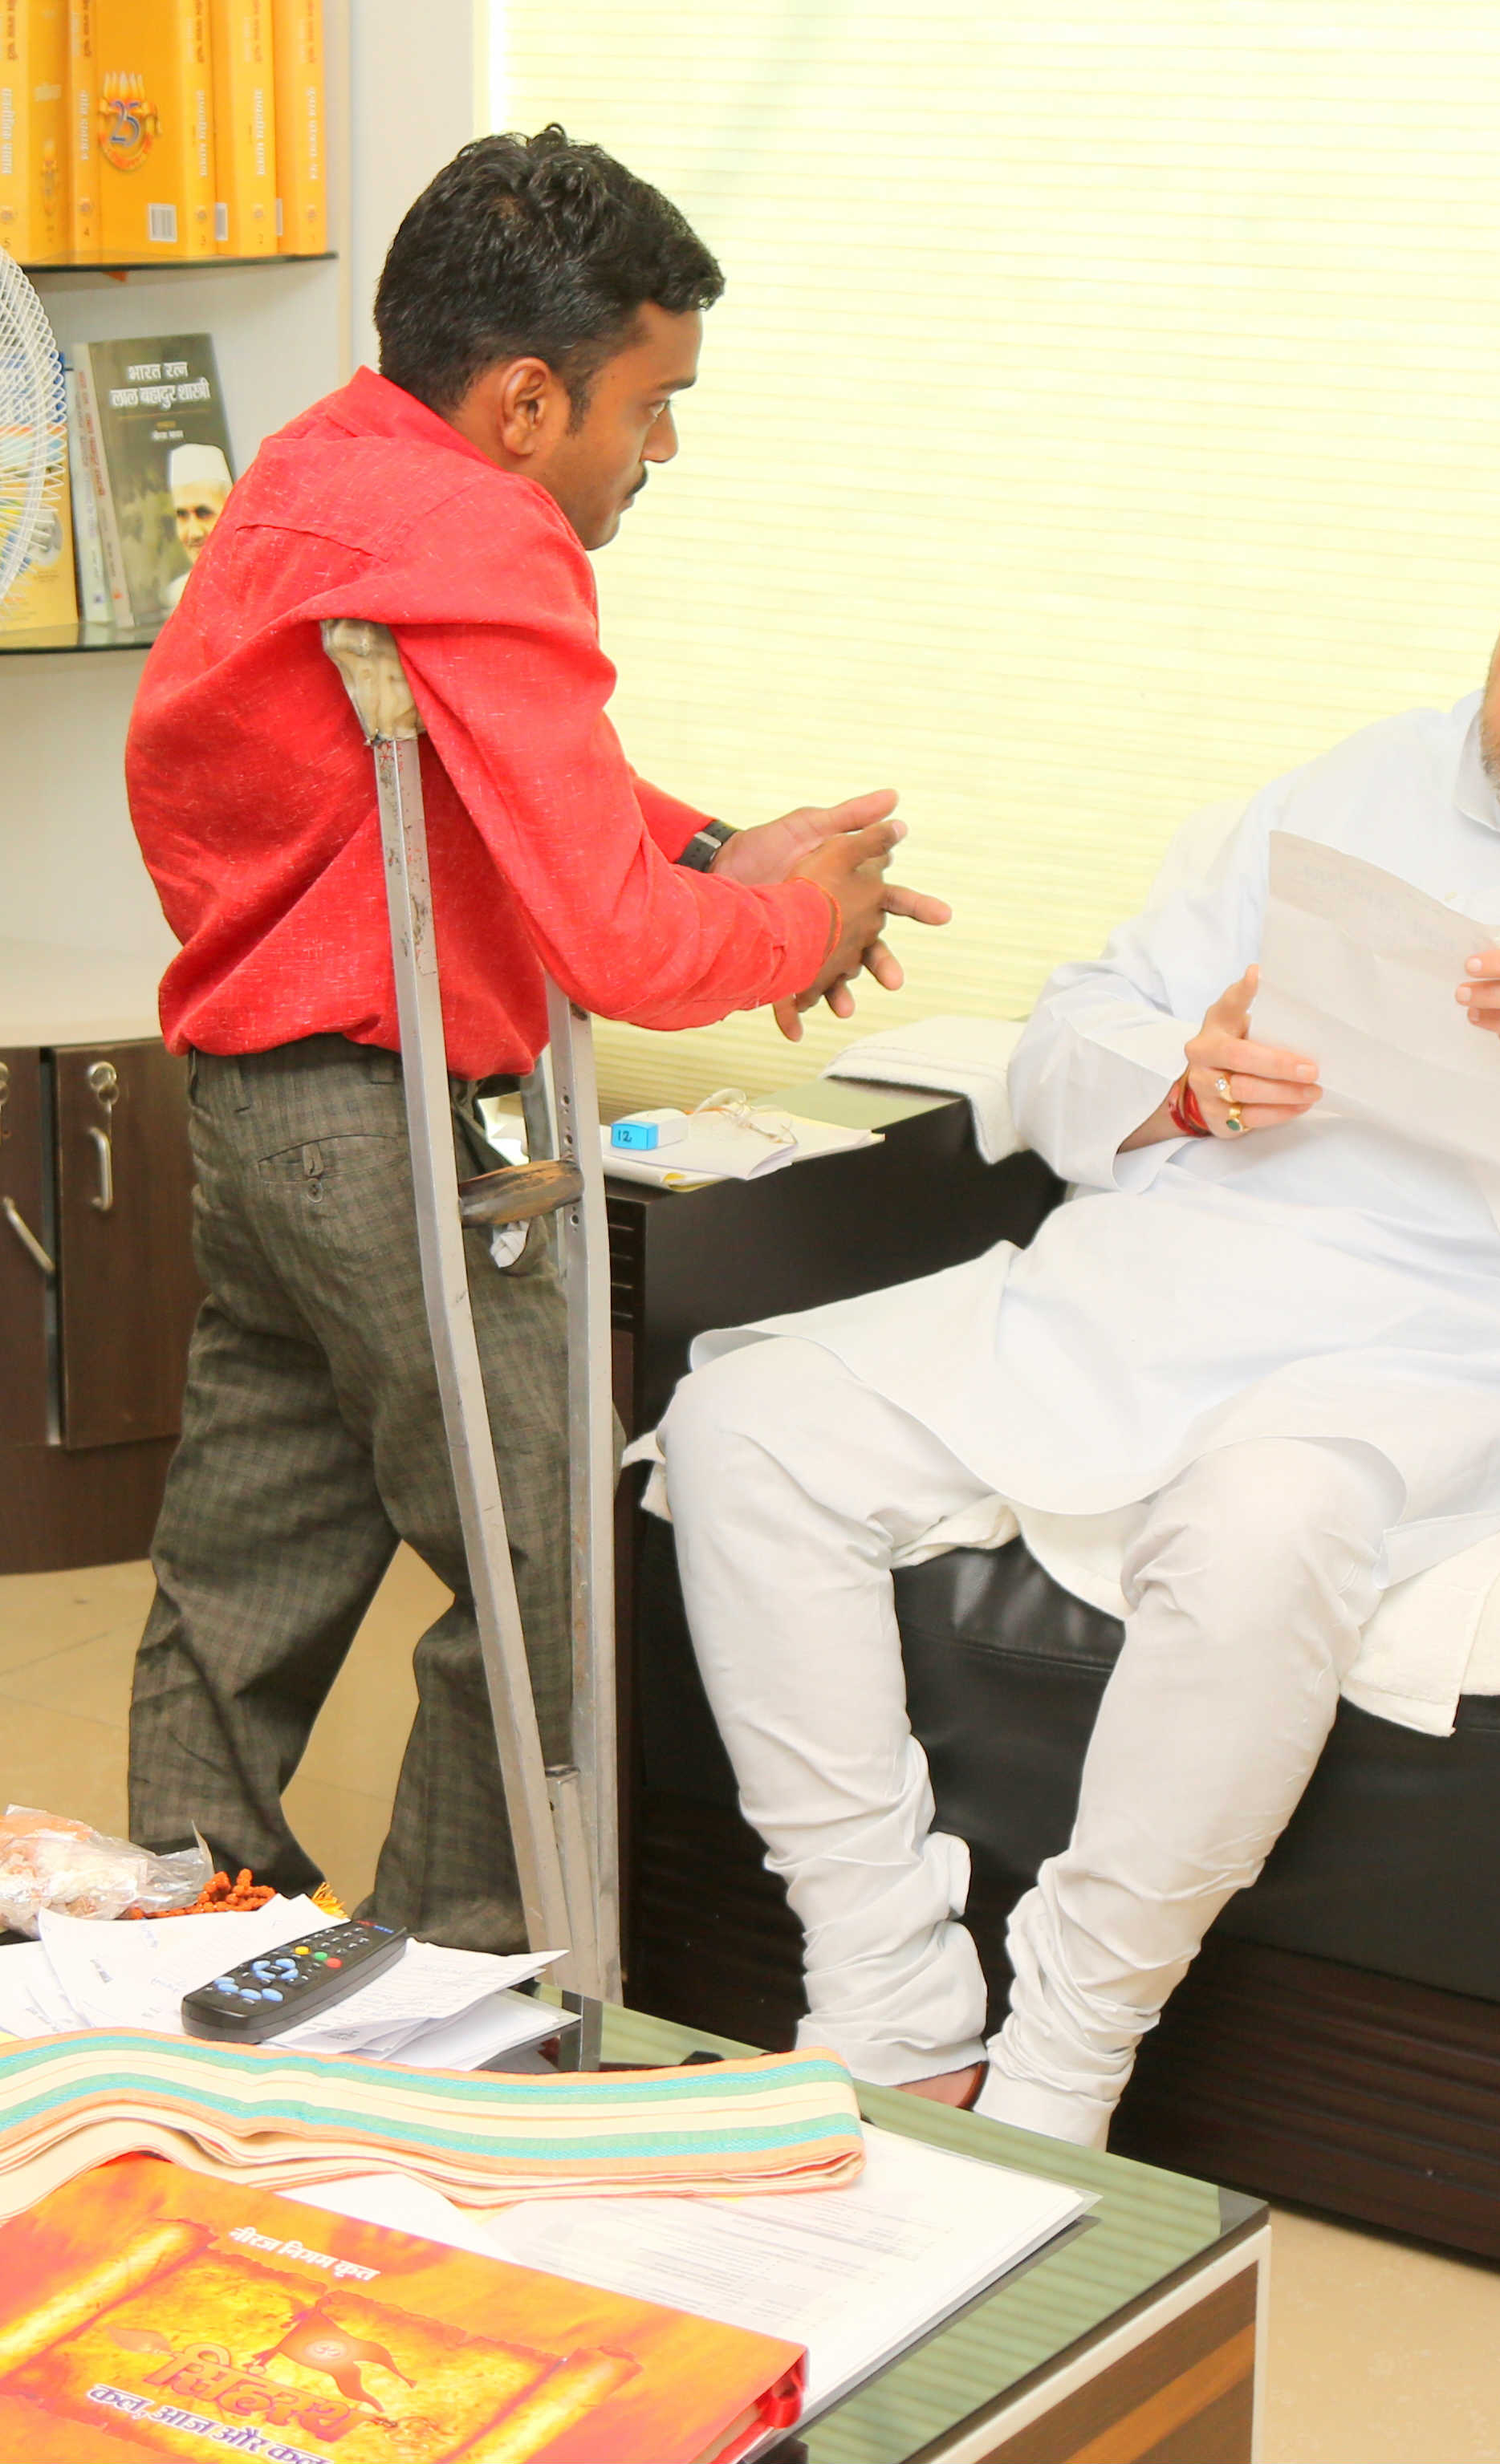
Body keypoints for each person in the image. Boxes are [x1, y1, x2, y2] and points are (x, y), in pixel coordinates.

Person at [656, 461, 1500, 2146]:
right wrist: (1181, 1084)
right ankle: (890, 2000)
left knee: (1267, 1514)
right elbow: (1073, 1031)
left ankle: (1060, 2063)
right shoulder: (1354, 783)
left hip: (1482, 1330)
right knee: (745, 1422)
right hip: (1185, 1266)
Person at [125, 127, 946, 1952]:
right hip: (394, 1126)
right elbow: (622, 946)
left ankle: (167, 1947)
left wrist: (733, 846)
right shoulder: (487, 539)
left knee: (247, 1569)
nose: (662, 447)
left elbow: (512, 775)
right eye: (649, 404)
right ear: (521, 402)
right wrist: (803, 921)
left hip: (264, 1113)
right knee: (553, 1560)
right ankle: (449, 1994)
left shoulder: (331, 466)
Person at [161, 443, 233, 611]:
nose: (194, 533)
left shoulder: (258, 590)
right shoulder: (177, 594)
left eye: (204, 513)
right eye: (182, 516)